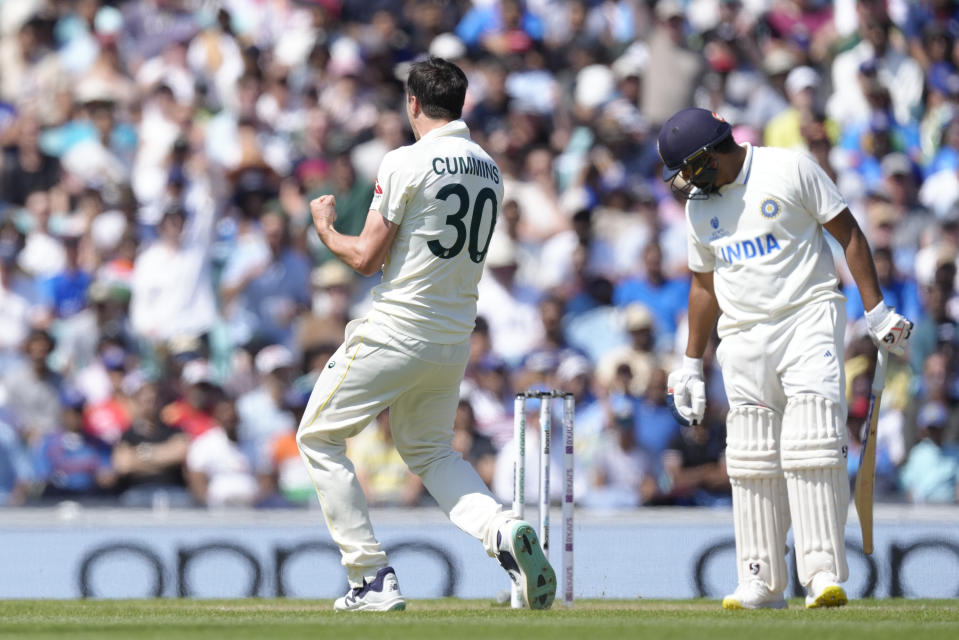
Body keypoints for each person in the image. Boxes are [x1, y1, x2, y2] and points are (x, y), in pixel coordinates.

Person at [295, 56, 555, 612]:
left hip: (396, 327)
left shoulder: (407, 160)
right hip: (452, 339)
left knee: (317, 437)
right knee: (433, 452)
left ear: (413, 103)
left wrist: (323, 228)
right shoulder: (490, 167)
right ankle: (504, 530)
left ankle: (369, 578)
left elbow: (365, 258)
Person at [659, 108, 914, 610]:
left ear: (708, 156)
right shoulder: (699, 209)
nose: (686, 182)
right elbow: (704, 282)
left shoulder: (789, 168)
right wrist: (690, 363)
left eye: (688, 169)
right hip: (742, 335)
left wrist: (877, 311)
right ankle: (760, 579)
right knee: (751, 457)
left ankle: (821, 574)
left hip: (807, 317)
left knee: (812, 443)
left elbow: (850, 235)